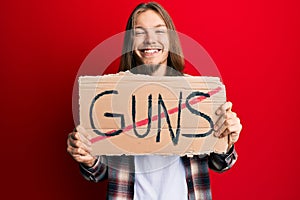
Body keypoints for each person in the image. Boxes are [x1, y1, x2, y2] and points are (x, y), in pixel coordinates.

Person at [67, 2, 242, 200]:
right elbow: (99, 173)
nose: (150, 40)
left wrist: (227, 140)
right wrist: (88, 158)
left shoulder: (197, 95)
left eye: (159, 31)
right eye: (140, 33)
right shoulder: (111, 98)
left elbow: (220, 164)